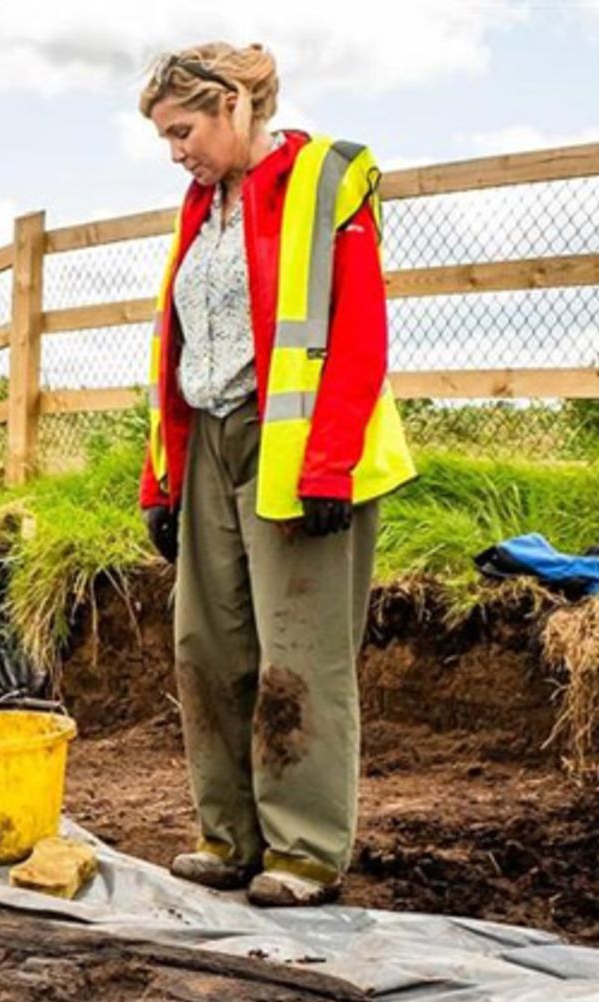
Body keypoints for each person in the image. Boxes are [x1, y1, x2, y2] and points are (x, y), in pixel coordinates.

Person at [136, 42, 416, 907]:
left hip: (295, 448)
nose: (175, 151)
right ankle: (229, 836)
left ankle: (302, 851)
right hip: (210, 443)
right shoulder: (200, 206)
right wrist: (163, 484)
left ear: (232, 106)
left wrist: (328, 462)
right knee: (207, 645)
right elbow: (176, 348)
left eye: (183, 130)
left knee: (300, 654)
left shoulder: (328, 179)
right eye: (165, 138)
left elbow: (360, 331)